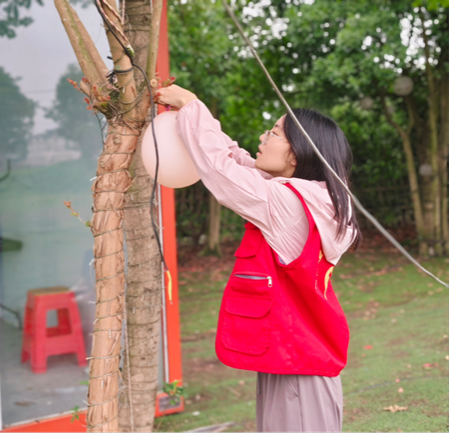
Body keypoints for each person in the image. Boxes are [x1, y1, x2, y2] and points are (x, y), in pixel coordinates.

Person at [155, 84, 362, 433]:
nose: (263, 137)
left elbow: (222, 172)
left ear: (296, 155)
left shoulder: (290, 205)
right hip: (294, 358)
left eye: (274, 132)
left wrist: (191, 104)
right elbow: (236, 161)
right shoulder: (315, 198)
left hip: (299, 368)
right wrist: (193, 114)